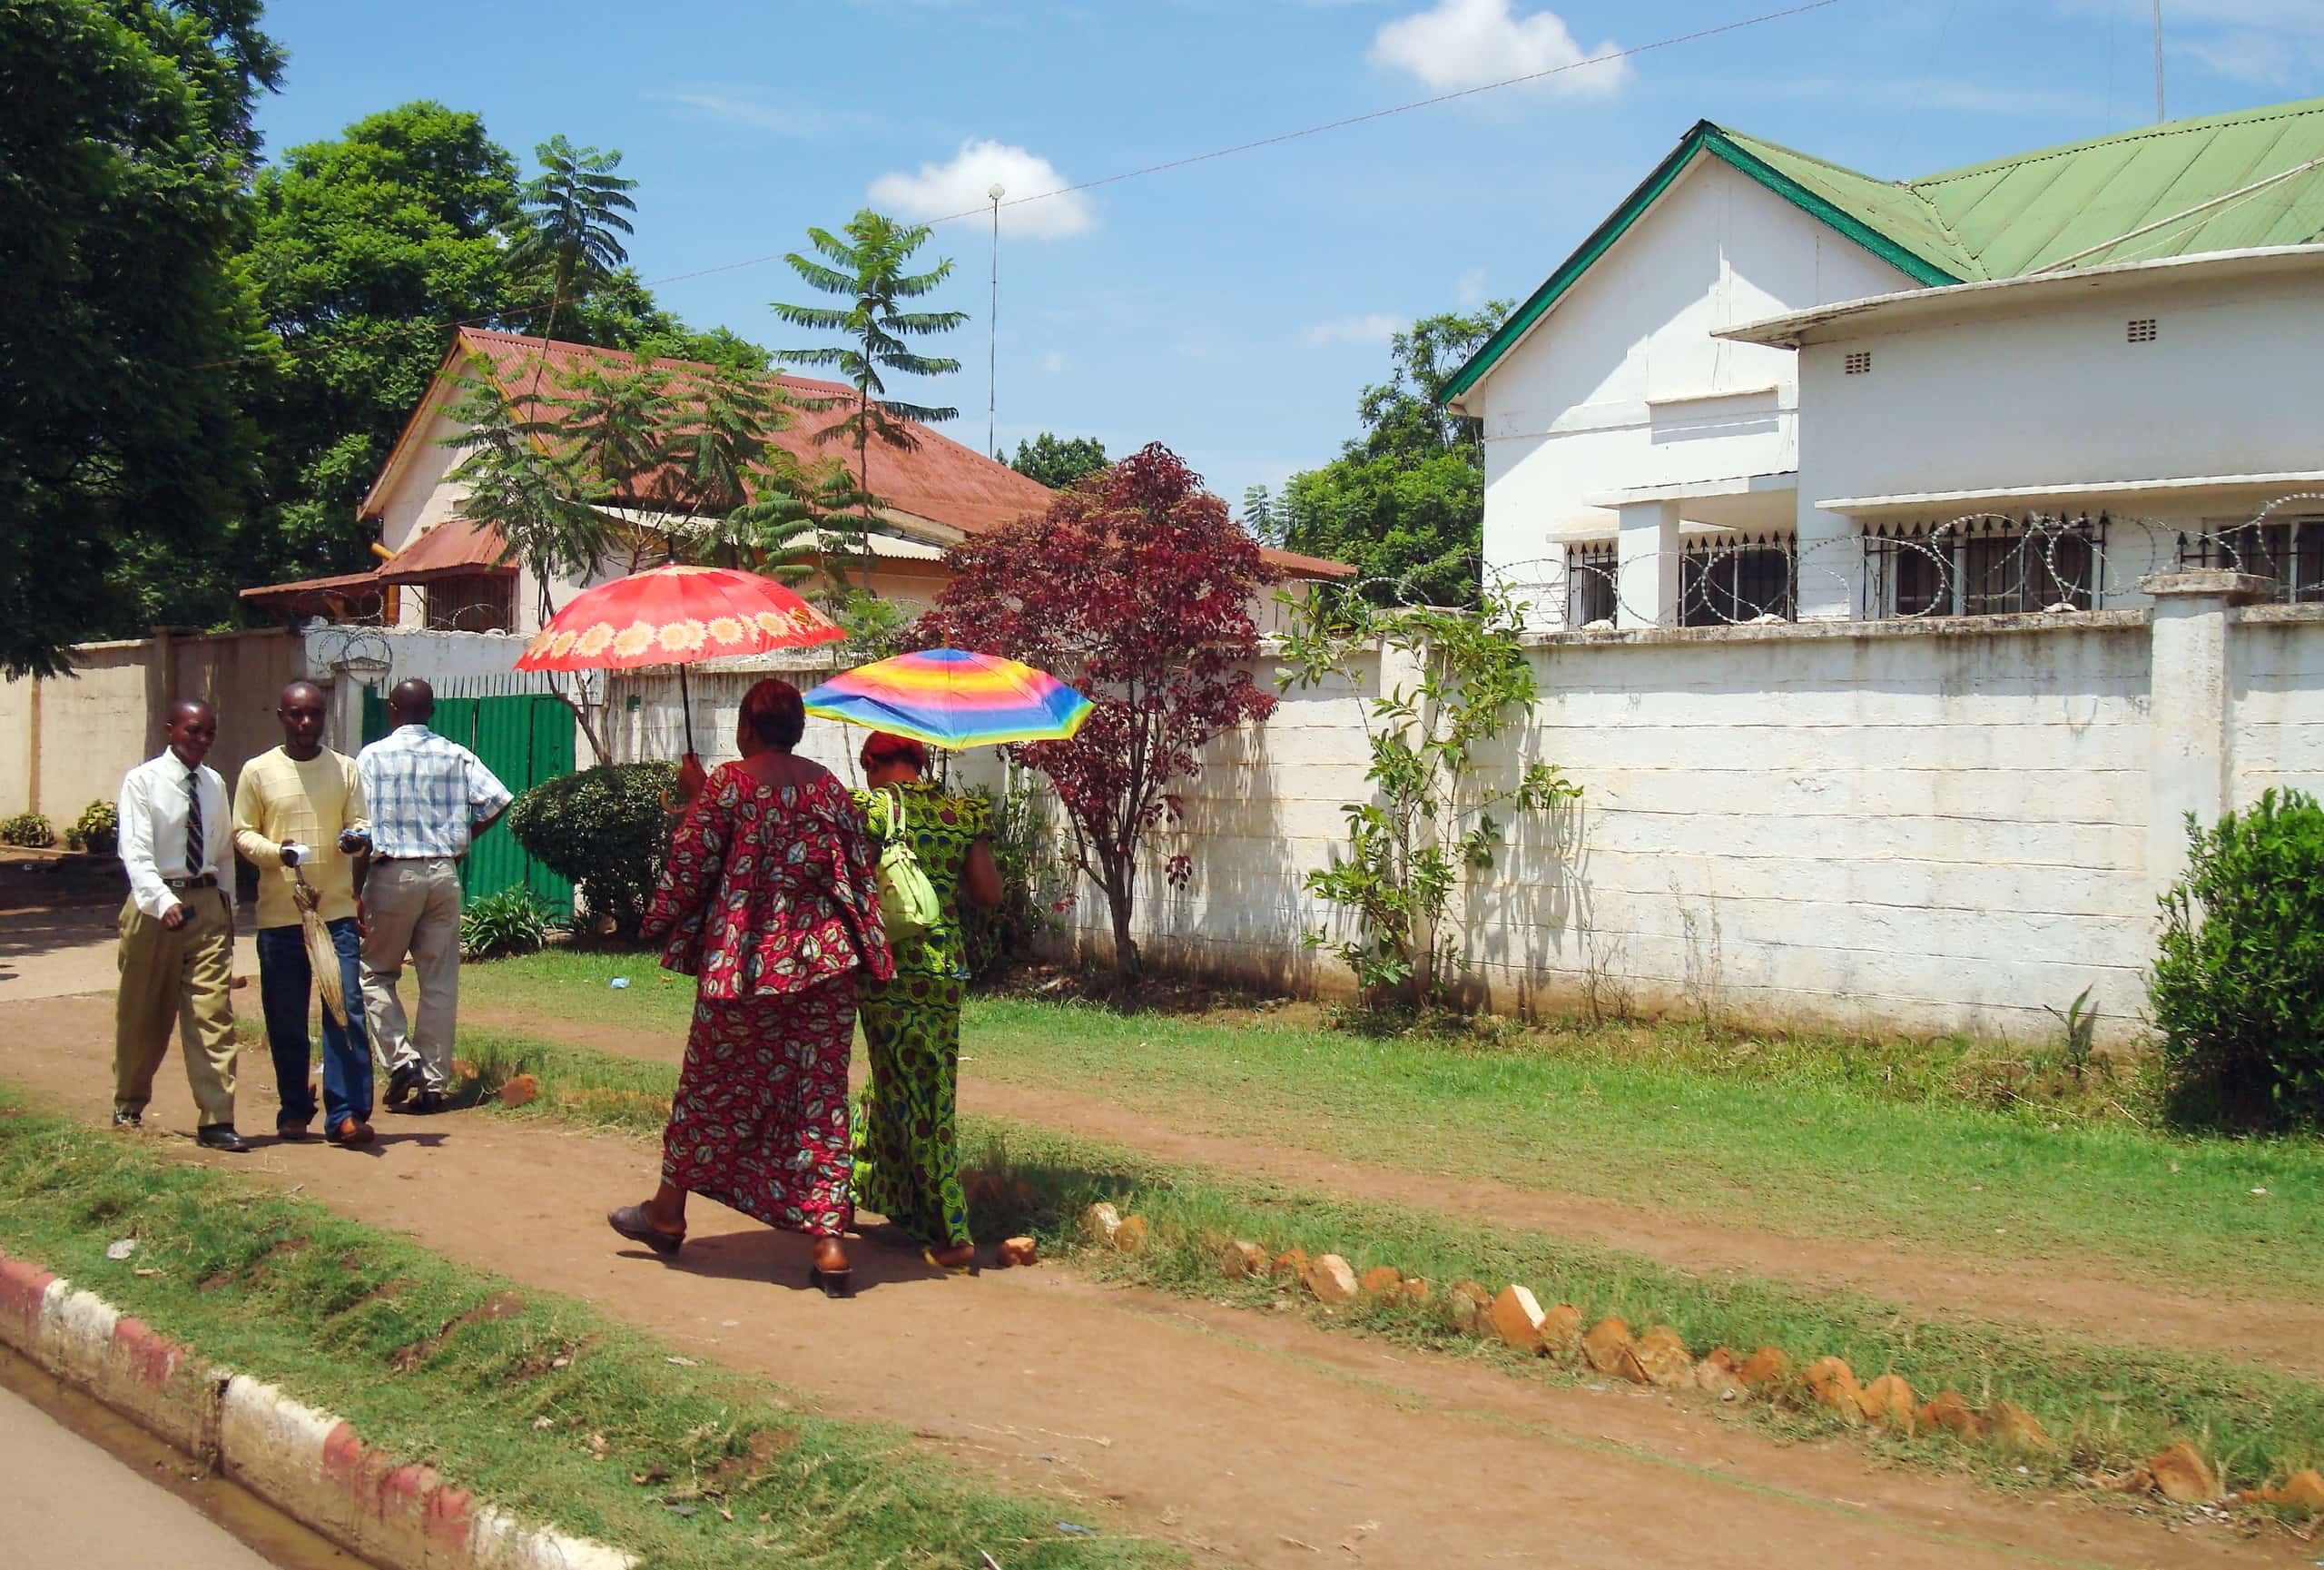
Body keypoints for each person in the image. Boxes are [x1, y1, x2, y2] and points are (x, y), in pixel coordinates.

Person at [609, 679, 891, 1297]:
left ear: (745, 730)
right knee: (820, 1097)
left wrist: (691, 803)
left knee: (707, 1087)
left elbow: (689, 868)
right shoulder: (829, 788)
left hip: (746, 969)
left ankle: (667, 1212)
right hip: (826, 968)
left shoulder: (731, 785)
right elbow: (858, 874)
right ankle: (831, 1245)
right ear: (796, 728)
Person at [847, 733, 1002, 1273]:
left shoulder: (870, 808)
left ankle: (951, 1231)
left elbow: (851, 883)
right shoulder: (960, 813)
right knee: (898, 1079)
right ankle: (863, 1193)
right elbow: (988, 893)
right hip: (946, 972)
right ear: (918, 760)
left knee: (923, 1097)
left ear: (872, 763)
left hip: (891, 970)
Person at [353, 678, 511, 1115]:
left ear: (391, 709)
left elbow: (359, 826)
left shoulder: (372, 757)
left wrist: (354, 890)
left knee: (374, 972)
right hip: (443, 871)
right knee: (438, 981)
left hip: (393, 872)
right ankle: (433, 1085)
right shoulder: (455, 754)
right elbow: (497, 800)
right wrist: (462, 838)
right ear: (433, 711)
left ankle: (401, 1059)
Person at [233, 680, 374, 1147]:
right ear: (282, 716)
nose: (306, 724)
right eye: (296, 715)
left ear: (324, 716)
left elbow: (360, 824)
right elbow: (242, 834)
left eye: (314, 714)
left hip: (333, 913)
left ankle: (346, 1114)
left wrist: (355, 840)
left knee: (345, 1009)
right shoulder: (258, 772)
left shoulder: (346, 769)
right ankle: (295, 1107)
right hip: (281, 916)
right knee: (286, 1017)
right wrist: (279, 853)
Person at [113, 698, 246, 1150]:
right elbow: (136, 851)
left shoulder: (213, 783)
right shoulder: (143, 782)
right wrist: (161, 900)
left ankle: (216, 1119)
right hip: (155, 909)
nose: (201, 741)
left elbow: (223, 851)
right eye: (193, 731)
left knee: (213, 1014)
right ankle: (128, 1104)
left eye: (209, 733)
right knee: (144, 1015)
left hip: (206, 905)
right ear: (171, 730)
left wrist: (227, 907)